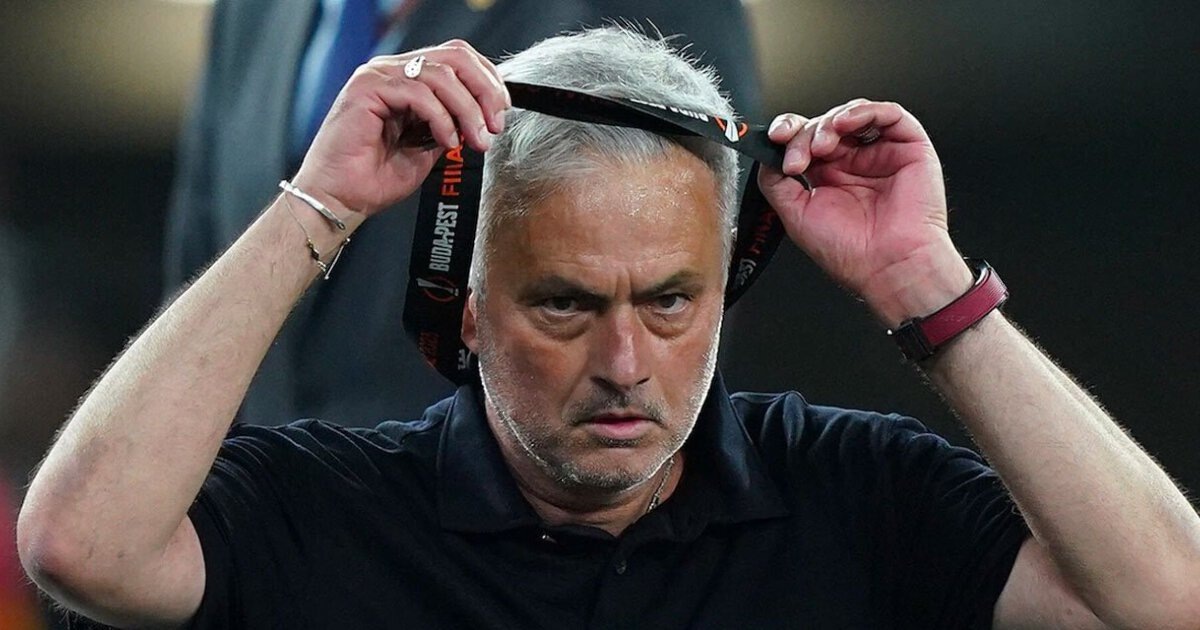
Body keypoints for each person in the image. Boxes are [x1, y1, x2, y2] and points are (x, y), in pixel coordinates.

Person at [18, 27, 1200, 629]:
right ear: (467, 307)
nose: (625, 365)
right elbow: (81, 547)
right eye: (566, 304)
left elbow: (1165, 599)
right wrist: (317, 207)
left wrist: (925, 285)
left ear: (724, 290)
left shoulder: (855, 495)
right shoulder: (337, 511)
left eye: (670, 300)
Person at [166, 0, 764, 427]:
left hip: (486, 533)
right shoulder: (252, 11)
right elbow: (201, 270)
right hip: (259, 526)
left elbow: (682, 286)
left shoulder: (659, 9)